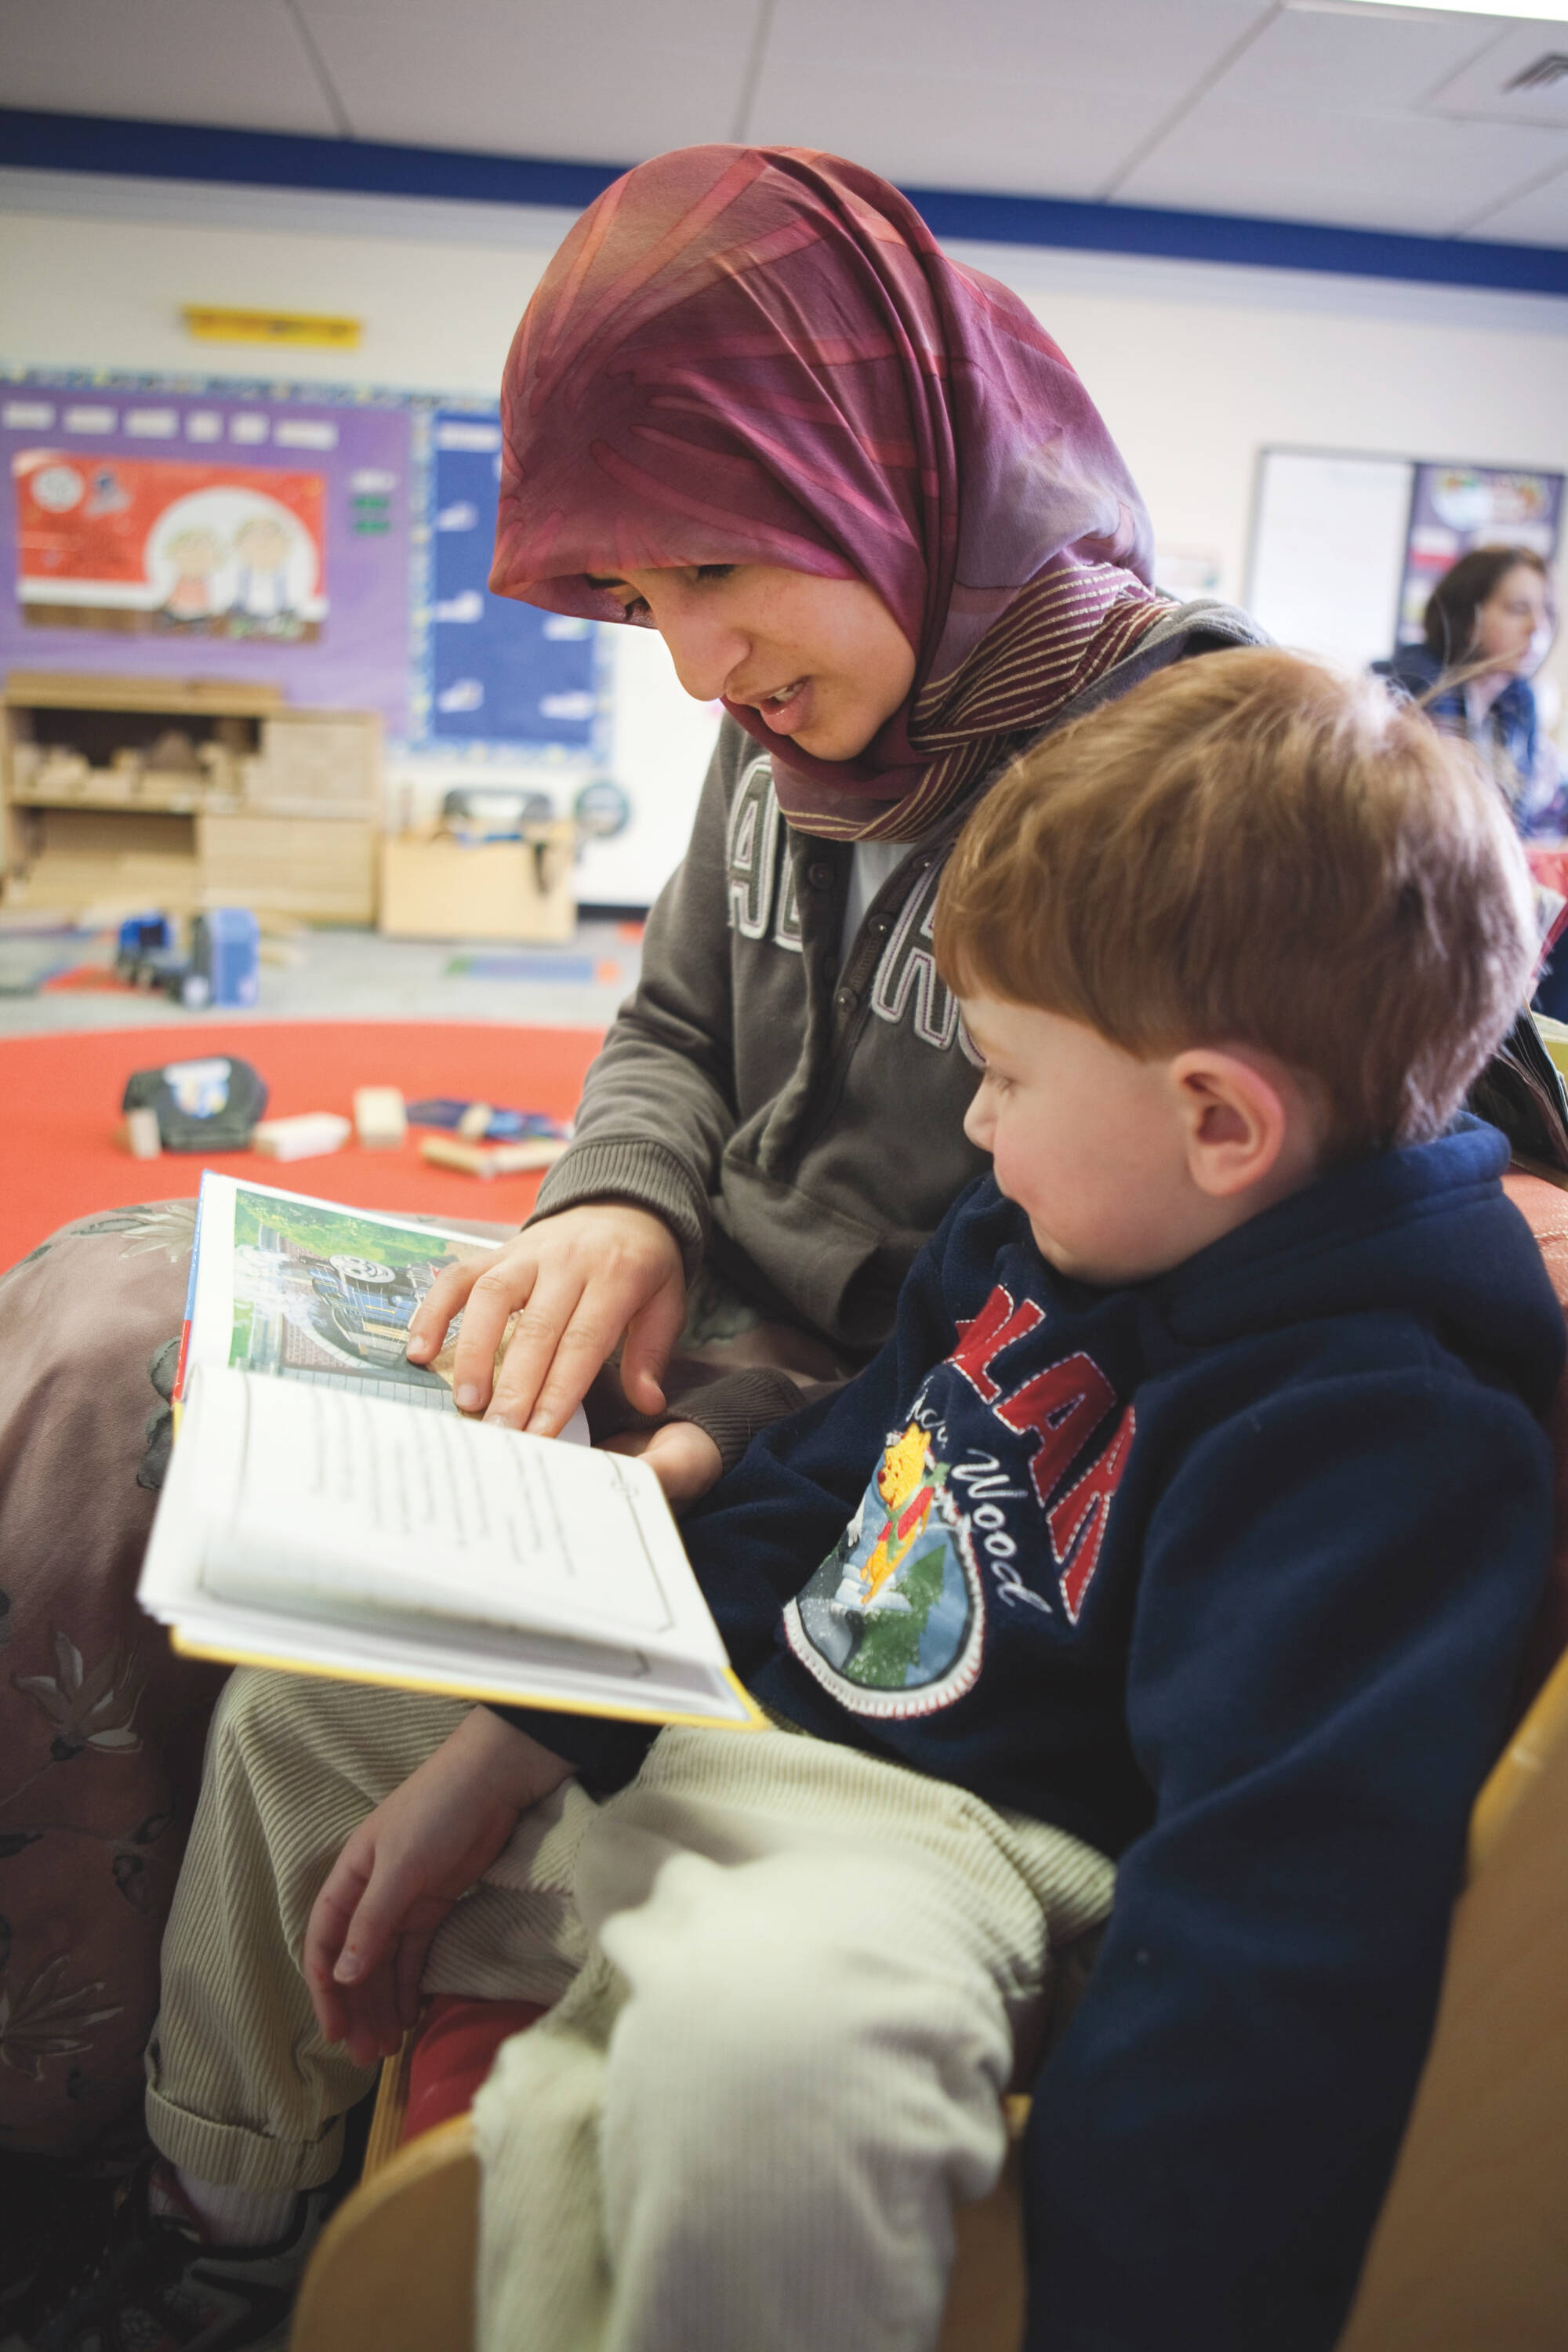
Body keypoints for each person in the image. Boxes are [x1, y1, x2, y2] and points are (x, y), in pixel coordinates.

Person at [35, 648, 1563, 2352]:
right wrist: (535, 1725)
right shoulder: (1047, 1229)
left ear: (1217, 1120)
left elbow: (1272, 1932)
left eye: (999, 1075)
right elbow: (832, 1484)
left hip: (970, 1839)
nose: (973, 1127)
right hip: (772, 1724)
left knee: (763, 2051)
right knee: (309, 1716)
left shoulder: (1383, 1443)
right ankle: (229, 2229)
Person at [0, 144, 1265, 2163]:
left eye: (720, 570)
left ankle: (143, 2159)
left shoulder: (1170, 771)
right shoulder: (789, 696)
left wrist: (735, 1430)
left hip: (811, 1469)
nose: (691, 662)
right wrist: (615, 1191)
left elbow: (1114, 1283)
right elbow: (669, 1026)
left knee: (251, 1636)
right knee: (93, 1323)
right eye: (640, 592)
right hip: (650, 1374)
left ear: (878, 472)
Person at [1388, 544, 1562, 838]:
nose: (1538, 628)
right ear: (1468, 617)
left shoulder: (1519, 698)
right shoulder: (1415, 681)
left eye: (1547, 612)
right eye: (1519, 610)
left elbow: (1516, 826)